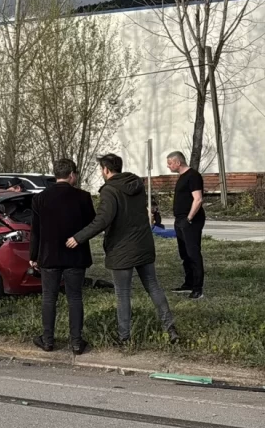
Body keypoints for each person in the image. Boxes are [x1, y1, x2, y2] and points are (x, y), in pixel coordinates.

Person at [68, 154, 178, 346]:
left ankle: (124, 336)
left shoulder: (109, 191)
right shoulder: (137, 185)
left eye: (101, 169)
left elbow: (103, 220)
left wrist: (78, 237)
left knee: (123, 293)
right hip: (143, 244)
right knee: (153, 286)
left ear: (106, 170)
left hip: (121, 248)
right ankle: (170, 328)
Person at [30, 159, 96, 355]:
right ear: (72, 175)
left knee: (49, 298)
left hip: (49, 255)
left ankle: (48, 340)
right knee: (75, 298)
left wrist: (33, 255)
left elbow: (35, 231)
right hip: (75, 254)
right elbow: (92, 224)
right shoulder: (83, 197)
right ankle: (76, 342)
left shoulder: (40, 198)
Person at [167, 151, 205, 299]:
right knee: (184, 254)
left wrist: (189, 219)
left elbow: (198, 199)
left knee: (193, 253)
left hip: (191, 221)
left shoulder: (193, 176)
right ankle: (188, 284)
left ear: (178, 162)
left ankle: (197, 288)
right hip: (180, 220)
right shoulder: (182, 177)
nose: (168, 166)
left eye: (170, 163)